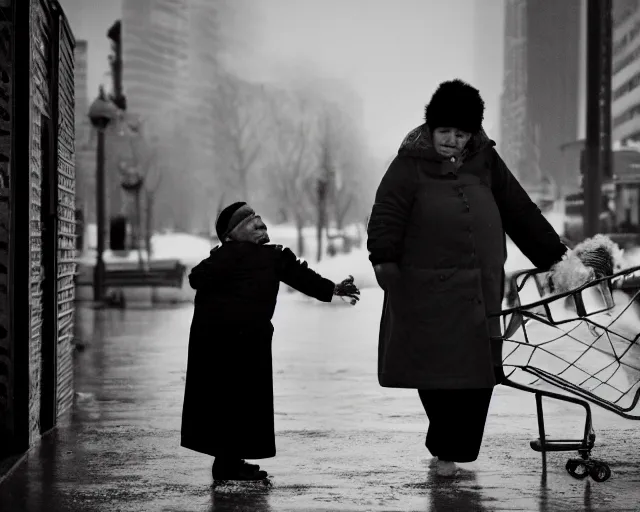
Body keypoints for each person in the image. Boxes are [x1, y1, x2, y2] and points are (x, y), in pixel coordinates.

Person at [366, 79, 568, 477]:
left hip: (479, 289)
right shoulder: (409, 162)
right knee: (436, 370)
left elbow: (520, 211)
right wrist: (384, 258)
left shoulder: (487, 161)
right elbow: (386, 210)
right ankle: (445, 448)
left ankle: (454, 447)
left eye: (461, 133)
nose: (452, 140)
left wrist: (556, 258)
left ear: (472, 134)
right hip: (425, 290)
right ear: (431, 128)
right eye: (445, 131)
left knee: (479, 373)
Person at [181, 201, 361, 481]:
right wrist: (226, 255)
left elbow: (301, 275)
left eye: (257, 219)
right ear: (234, 233)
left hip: (247, 340)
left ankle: (230, 461)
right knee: (231, 402)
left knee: (242, 403)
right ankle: (227, 464)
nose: (258, 224)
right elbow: (197, 278)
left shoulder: (270, 257)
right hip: (221, 342)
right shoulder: (229, 257)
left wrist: (332, 288)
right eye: (249, 222)